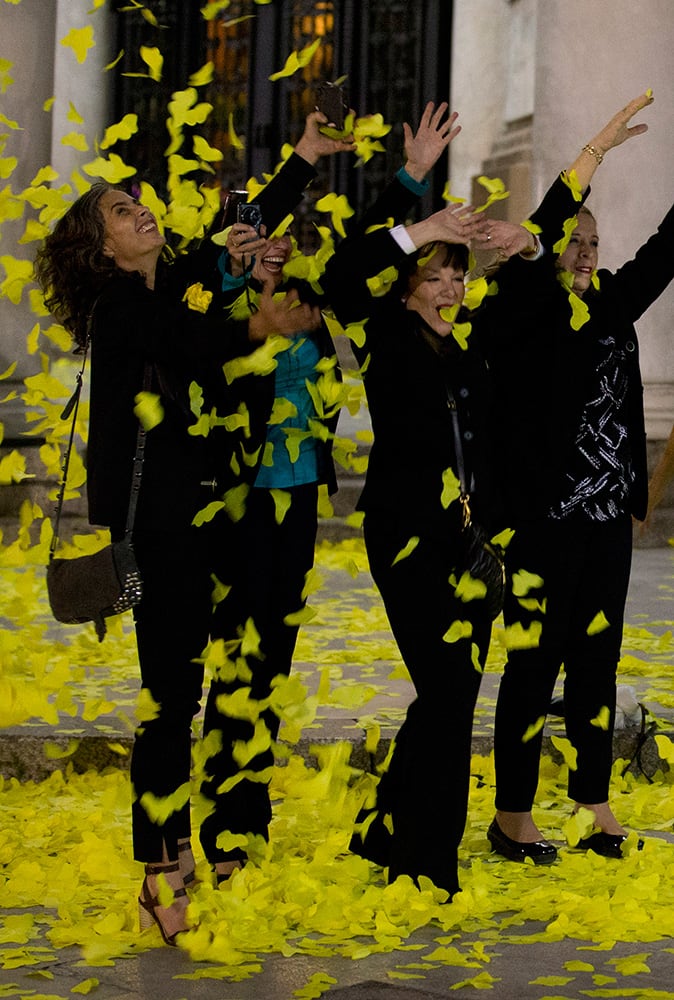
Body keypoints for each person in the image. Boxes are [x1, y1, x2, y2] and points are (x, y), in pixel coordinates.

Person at [32, 115, 351, 945]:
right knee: (169, 703)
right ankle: (159, 863)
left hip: (219, 519)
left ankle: (215, 838)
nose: (140, 211)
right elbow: (195, 338)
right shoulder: (118, 308)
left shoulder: (165, 278)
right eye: (120, 212)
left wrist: (303, 162)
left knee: (229, 683)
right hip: (166, 532)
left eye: (138, 204)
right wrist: (262, 326)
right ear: (103, 250)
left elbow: (224, 247)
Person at [192, 102, 469, 884]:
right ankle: (224, 823)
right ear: (235, 249)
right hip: (236, 505)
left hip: (298, 504)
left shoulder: (312, 305)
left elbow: (360, 251)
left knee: (271, 661)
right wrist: (252, 242)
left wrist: (413, 176)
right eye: (255, 236)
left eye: (283, 236)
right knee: (239, 660)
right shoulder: (223, 308)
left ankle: (248, 813)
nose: (274, 243)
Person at [321, 106, 538, 897]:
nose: (449, 282)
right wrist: (412, 197)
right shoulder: (381, 331)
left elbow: (531, 284)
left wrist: (535, 237)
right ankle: (424, 861)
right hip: (408, 535)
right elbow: (343, 274)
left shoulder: (472, 341)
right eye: (434, 271)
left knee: (453, 690)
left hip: (476, 542)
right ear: (408, 281)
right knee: (448, 690)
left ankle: (386, 824)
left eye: (456, 270)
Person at [479, 92, 671, 863]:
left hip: (603, 525)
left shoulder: (614, 308)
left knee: (598, 659)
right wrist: (593, 154)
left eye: (594, 241)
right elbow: (546, 234)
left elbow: (665, 249)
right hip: (541, 524)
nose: (585, 250)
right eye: (573, 240)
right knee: (534, 660)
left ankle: (594, 803)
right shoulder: (521, 313)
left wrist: (630, 499)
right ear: (548, 247)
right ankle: (513, 815)